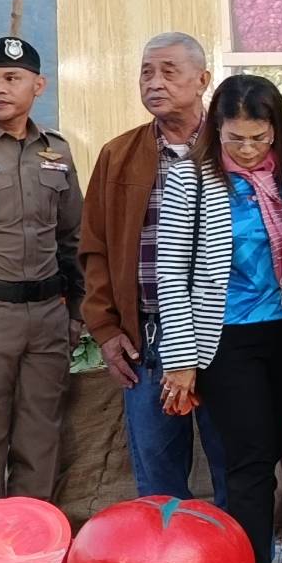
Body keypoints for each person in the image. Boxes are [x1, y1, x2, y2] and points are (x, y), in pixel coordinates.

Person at [154, 74, 282, 563]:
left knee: (270, 457)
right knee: (249, 464)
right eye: (234, 138)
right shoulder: (191, 177)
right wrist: (181, 360)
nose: (246, 149)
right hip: (225, 338)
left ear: (276, 131)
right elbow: (172, 271)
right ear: (215, 130)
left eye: (258, 138)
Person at [79, 32, 227, 505]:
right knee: (158, 474)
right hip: (147, 335)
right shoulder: (119, 154)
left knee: (237, 466)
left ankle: (246, 555)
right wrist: (105, 330)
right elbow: (94, 248)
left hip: (228, 331)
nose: (154, 83)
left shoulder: (232, 148)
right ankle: (167, 554)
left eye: (168, 71)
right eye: (146, 72)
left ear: (202, 79)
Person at [0, 36, 82, 501]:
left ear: (38, 85)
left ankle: (33, 538)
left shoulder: (56, 152)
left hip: (47, 316)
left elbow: (73, 238)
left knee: (41, 433)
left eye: (11, 78)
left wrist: (77, 312)